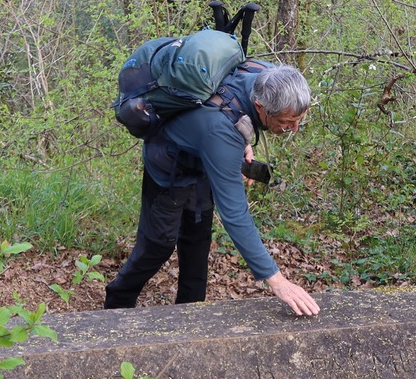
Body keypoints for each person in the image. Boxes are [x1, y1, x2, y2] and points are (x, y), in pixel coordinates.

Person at [104, 62, 320, 316]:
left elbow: (231, 111)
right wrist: (277, 281)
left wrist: (242, 140)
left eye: (299, 121)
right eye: (286, 122)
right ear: (261, 107)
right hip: (168, 165)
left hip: (203, 161)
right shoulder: (221, 133)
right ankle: (115, 306)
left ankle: (192, 316)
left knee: (198, 243)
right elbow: (235, 214)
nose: (293, 129)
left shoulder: (268, 76)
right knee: (158, 246)